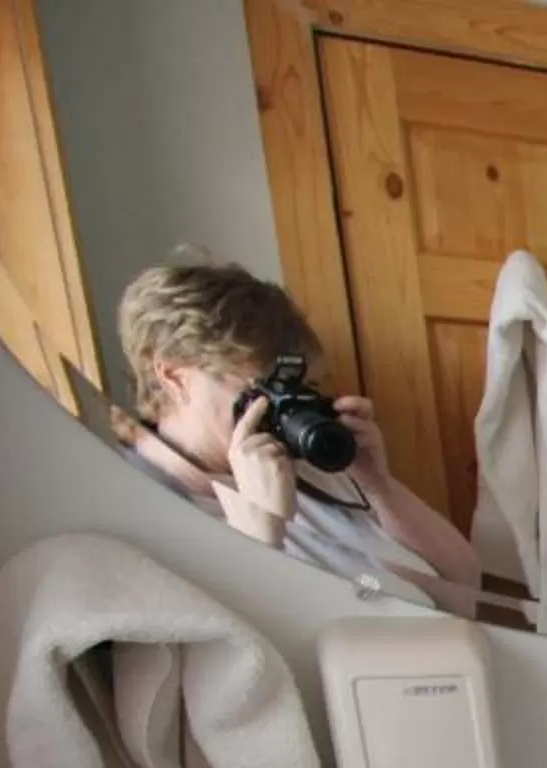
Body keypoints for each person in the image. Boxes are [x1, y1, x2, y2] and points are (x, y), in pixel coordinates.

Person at [116, 259, 481, 615]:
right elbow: (230, 657)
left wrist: (378, 486)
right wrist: (263, 529)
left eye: (293, 386)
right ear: (175, 378)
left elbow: (462, 586)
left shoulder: (302, 462)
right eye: (258, 390)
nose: (278, 406)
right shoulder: (141, 508)